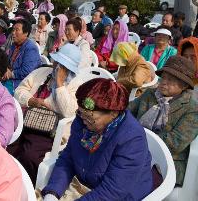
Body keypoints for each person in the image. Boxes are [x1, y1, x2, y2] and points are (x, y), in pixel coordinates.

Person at [42, 78, 153, 201]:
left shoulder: (132, 139)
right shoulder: (81, 122)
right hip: (87, 185)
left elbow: (112, 191)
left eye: (89, 117)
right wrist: (53, 192)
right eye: (80, 113)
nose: (84, 120)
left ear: (113, 114)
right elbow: (68, 158)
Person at [11, 44, 83, 184]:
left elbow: (68, 111)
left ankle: (26, 186)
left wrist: (60, 83)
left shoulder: (76, 85)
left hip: (50, 131)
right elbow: (19, 91)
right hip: (26, 120)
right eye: (57, 62)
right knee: (9, 146)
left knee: (29, 156)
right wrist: (31, 100)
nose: (57, 67)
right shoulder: (42, 72)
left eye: (63, 66)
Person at [128, 55, 198, 186]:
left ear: (183, 86)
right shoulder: (150, 94)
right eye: (163, 77)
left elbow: (175, 143)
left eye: (170, 80)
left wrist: (137, 141)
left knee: (135, 181)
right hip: (133, 150)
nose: (164, 82)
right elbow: (128, 112)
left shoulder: (191, 109)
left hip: (167, 162)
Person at [3, 18, 41, 95]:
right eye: (13, 30)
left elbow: (27, 71)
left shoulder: (30, 48)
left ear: (26, 33)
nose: (13, 33)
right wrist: (6, 69)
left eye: (17, 30)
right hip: (11, 77)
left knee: (1, 94)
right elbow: (9, 62)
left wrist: (11, 74)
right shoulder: (14, 44)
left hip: (22, 81)